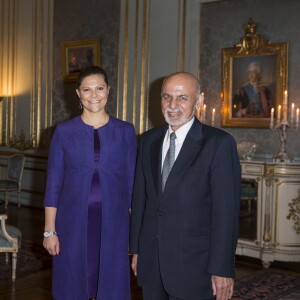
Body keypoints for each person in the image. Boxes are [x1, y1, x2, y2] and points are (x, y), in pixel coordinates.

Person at [129, 72, 241, 300]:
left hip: (195, 268)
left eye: (182, 98)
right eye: (167, 97)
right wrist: (137, 249)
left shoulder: (219, 144)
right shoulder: (148, 140)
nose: (172, 105)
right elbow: (140, 200)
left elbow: (225, 213)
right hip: (152, 263)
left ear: (198, 101)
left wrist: (222, 269)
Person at [43, 66, 137, 300]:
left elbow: (133, 184)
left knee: (111, 286)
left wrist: (136, 238)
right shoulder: (64, 132)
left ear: (108, 90)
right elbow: (53, 185)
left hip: (114, 224)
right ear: (78, 93)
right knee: (72, 284)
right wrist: (49, 231)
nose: (94, 95)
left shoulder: (125, 131)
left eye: (99, 88)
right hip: (72, 223)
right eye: (87, 89)